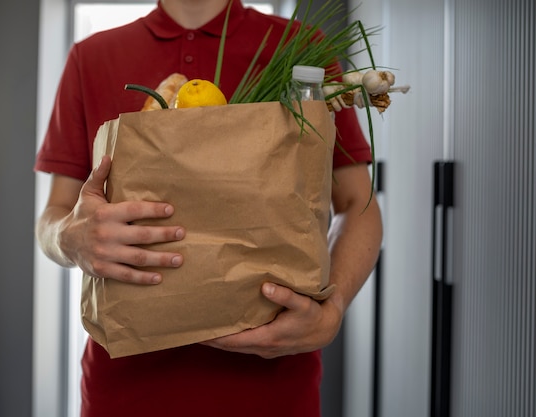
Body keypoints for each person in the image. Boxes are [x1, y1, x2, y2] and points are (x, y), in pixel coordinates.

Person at [34, 0, 382, 415]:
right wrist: (70, 238)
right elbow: (55, 214)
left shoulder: (299, 49)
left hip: (273, 390)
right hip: (126, 390)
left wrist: (334, 307)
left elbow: (357, 203)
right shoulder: (91, 58)